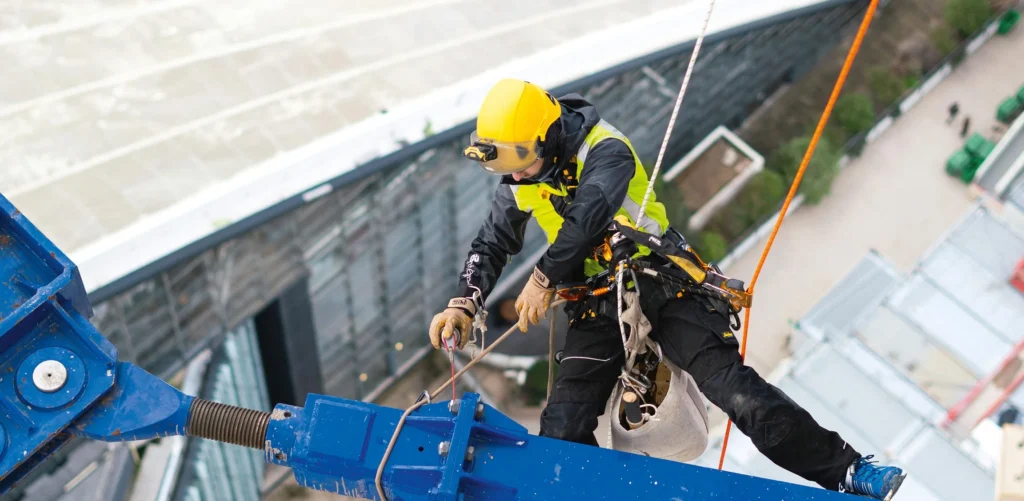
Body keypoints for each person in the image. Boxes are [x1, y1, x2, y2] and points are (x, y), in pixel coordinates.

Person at [427, 78, 906, 499]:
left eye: (521, 162)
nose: (514, 176)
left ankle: (847, 470)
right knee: (560, 432)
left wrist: (542, 277)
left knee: (735, 392)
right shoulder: (520, 172)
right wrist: (465, 301)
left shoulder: (605, 150)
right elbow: (492, 241)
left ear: (547, 137)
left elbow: (587, 218)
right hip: (597, 304)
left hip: (658, 281)